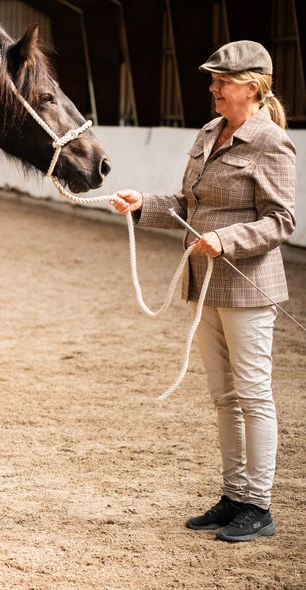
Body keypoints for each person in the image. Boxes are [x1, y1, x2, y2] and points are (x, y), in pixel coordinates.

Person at [112, 40, 296, 542]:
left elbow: (282, 221)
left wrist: (226, 239)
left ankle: (259, 505)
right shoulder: (210, 133)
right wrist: (143, 203)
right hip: (205, 285)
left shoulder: (271, 142)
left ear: (252, 87)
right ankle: (235, 495)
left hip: (248, 287)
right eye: (213, 79)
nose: (212, 87)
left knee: (254, 396)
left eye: (222, 80)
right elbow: (189, 203)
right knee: (223, 397)